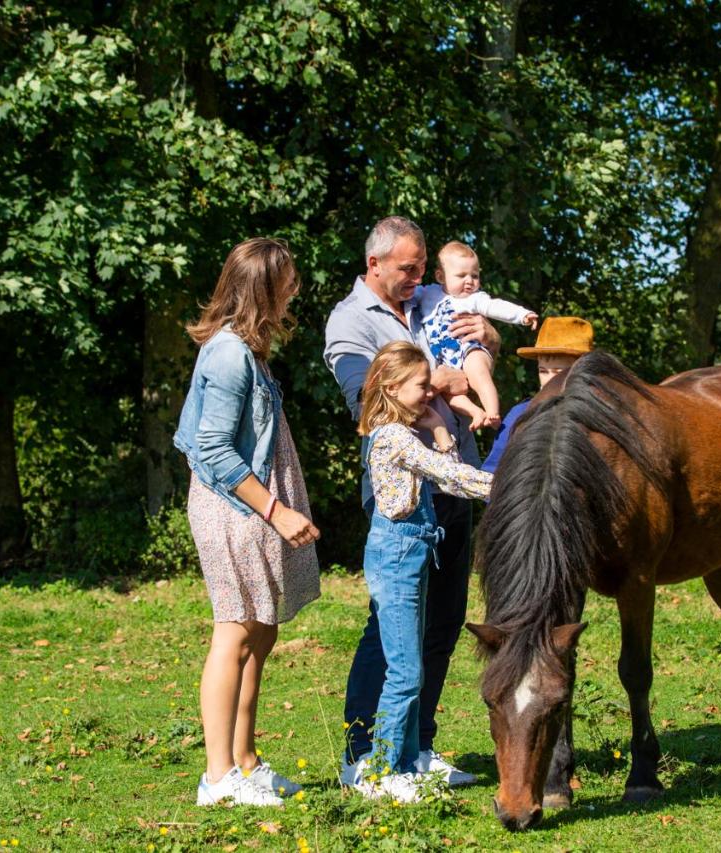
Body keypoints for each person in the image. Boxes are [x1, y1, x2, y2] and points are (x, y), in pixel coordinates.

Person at [324, 216, 499, 788]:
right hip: (402, 495)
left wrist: (484, 346)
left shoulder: (433, 297)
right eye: (407, 268)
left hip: (455, 481)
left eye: (423, 267)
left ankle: (417, 748)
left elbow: (483, 341)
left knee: (445, 619)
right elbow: (365, 398)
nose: (418, 278)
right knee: (393, 625)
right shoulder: (350, 322)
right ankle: (361, 754)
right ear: (374, 264)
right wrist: (441, 389)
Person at [173, 238, 322, 807]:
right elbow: (211, 449)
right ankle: (217, 778)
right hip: (233, 508)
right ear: (262, 287)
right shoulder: (229, 353)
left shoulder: (249, 351)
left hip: (252, 505)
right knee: (234, 630)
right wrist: (275, 509)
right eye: (287, 282)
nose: (294, 291)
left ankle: (245, 761)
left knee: (262, 629)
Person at [351, 341, 493, 801]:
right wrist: (509, 486)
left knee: (408, 663)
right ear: (392, 388)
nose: (430, 394)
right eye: (421, 387)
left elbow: (444, 472)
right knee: (406, 671)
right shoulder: (392, 437)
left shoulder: (404, 432)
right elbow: (451, 477)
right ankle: (382, 772)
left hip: (411, 557)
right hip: (395, 558)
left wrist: (439, 430)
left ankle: (408, 762)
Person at [418, 241, 538, 430]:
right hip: (445, 360)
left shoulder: (474, 298)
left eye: (474, 276)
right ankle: (476, 412)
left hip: (469, 348)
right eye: (461, 275)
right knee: (448, 395)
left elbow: (496, 306)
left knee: (478, 373)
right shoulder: (427, 293)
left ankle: (492, 411)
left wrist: (522, 315)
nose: (469, 281)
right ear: (441, 276)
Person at [481, 316, 595, 474]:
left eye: (559, 372)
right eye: (543, 371)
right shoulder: (520, 414)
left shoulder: (597, 417)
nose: (550, 380)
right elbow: (492, 472)